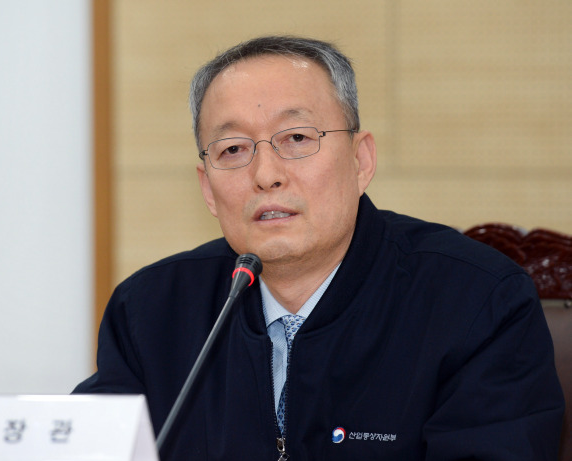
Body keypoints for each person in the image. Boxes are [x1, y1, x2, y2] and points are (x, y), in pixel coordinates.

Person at [74, 36, 564, 460]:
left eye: (296, 138)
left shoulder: (476, 300)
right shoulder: (150, 311)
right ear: (207, 188)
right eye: (233, 150)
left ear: (360, 159)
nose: (266, 174)